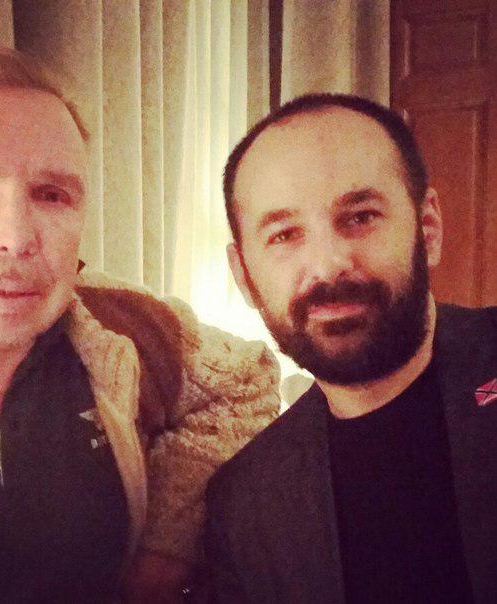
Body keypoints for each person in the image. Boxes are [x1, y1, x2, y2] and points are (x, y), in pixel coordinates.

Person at [0, 45, 281, 602]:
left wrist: (165, 550)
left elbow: (247, 382)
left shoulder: (122, 326)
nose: (16, 238)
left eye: (51, 195)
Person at [205, 93, 497, 603]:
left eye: (360, 217)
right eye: (284, 235)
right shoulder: (246, 502)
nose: (328, 265)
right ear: (244, 275)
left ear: (427, 229)